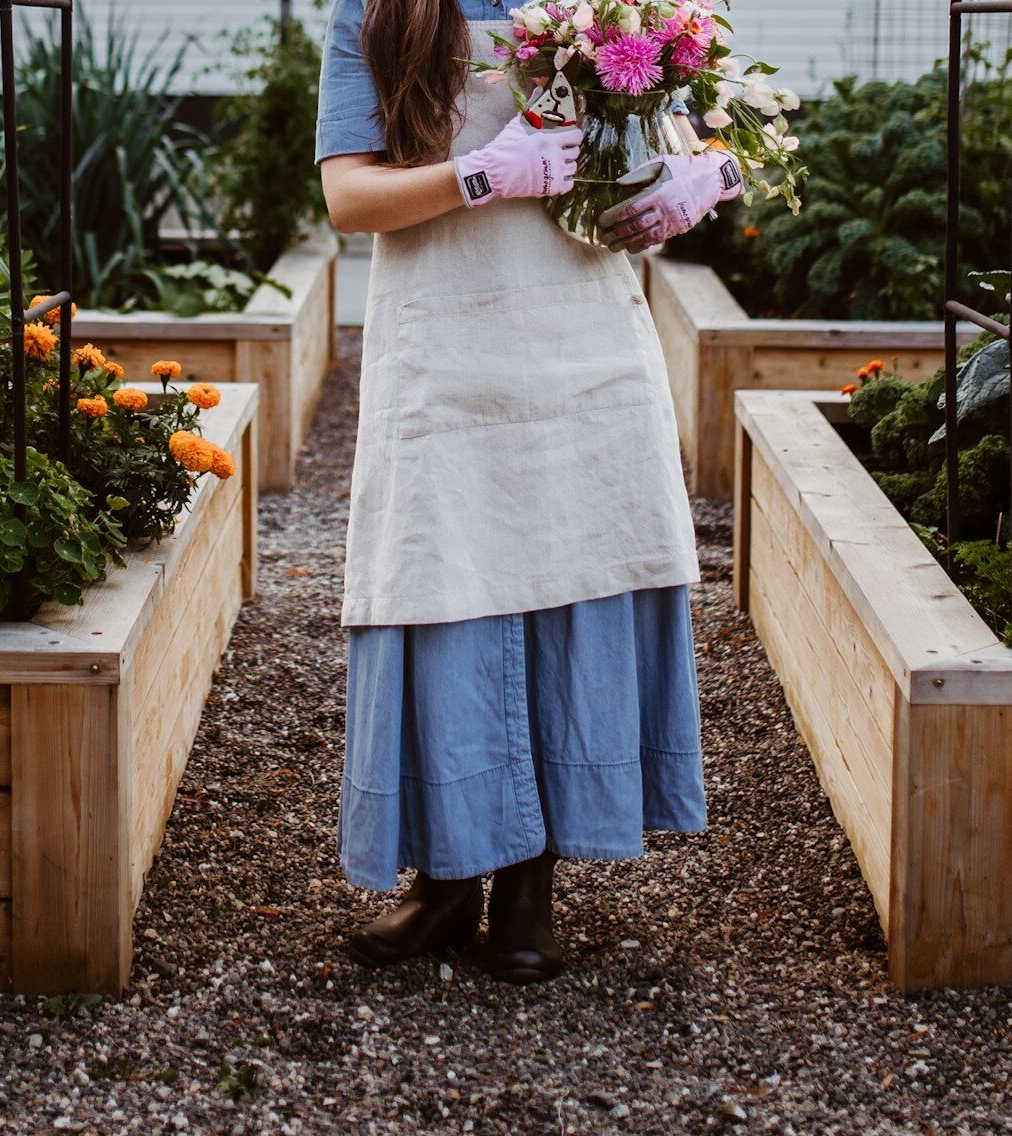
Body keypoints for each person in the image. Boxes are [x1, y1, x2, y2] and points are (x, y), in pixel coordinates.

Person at [315, 0, 742, 985]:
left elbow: (702, 127)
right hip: (445, 346)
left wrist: (703, 178)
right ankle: (448, 882)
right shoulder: (375, 13)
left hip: (579, 343)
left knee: (564, 583)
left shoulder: (604, 7)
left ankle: (528, 891)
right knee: (443, 591)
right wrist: (480, 172)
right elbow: (348, 198)